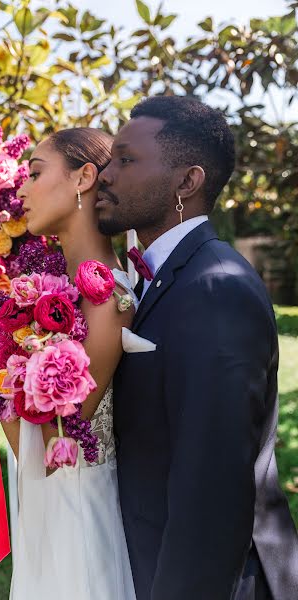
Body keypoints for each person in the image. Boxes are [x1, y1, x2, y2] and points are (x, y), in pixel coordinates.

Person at [96, 95, 298, 600]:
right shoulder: (149, 277)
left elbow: (213, 488)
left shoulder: (216, 287)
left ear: (187, 181)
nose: (105, 174)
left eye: (125, 160)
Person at [0, 127, 137, 599]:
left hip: (79, 519)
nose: (21, 191)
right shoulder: (50, 293)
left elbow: (53, 448)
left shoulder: (107, 298)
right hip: (50, 511)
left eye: (35, 173)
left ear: (83, 177)